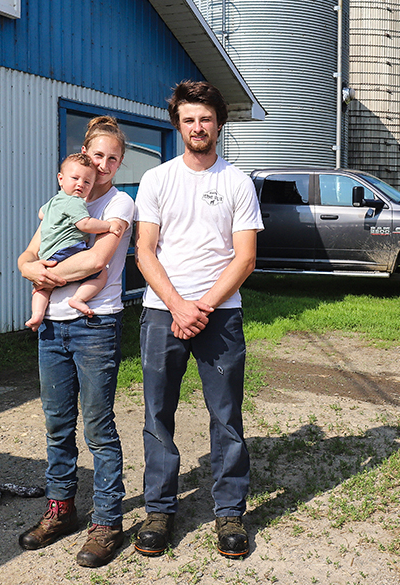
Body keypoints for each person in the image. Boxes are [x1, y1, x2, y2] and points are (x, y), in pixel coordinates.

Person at [132, 80, 263, 560]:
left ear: (219, 124)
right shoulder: (158, 179)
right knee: (157, 414)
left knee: (226, 416)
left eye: (205, 119)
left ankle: (229, 512)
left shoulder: (237, 182)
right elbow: (145, 251)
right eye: (189, 119)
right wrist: (178, 305)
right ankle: (159, 509)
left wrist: (201, 306)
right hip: (161, 312)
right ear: (178, 125)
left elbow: (244, 258)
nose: (197, 127)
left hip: (221, 316)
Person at [16, 116, 134, 568]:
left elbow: (95, 260)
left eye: (111, 158)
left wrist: (40, 273)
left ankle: (106, 521)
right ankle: (61, 509)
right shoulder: (62, 199)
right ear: (82, 157)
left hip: (95, 325)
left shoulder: (119, 204)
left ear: (119, 163)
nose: (102, 164)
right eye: (96, 155)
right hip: (52, 327)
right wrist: (29, 268)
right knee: (57, 423)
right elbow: (28, 253)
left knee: (98, 427)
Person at [26, 153, 126, 329]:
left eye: (87, 182)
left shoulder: (53, 201)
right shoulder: (75, 202)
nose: (81, 184)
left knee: (43, 288)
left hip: (47, 254)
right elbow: (85, 224)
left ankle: (37, 315)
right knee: (101, 274)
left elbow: (42, 214)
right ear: (61, 178)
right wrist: (108, 226)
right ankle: (78, 299)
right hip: (68, 250)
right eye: (75, 178)